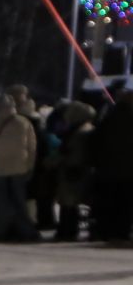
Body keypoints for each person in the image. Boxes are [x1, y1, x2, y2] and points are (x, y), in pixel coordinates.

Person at [0, 84, 39, 241]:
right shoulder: (24, 123)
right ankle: (26, 231)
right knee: (20, 202)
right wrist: (30, 167)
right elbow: (32, 148)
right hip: (20, 168)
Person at [49, 100, 96, 242]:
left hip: (72, 170)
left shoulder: (76, 132)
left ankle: (67, 230)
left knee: (69, 202)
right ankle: (67, 229)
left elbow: (68, 152)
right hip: (78, 170)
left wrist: (51, 162)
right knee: (71, 202)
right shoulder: (87, 128)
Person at [90, 88, 133, 241]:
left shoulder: (109, 118)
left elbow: (96, 142)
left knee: (108, 203)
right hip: (128, 172)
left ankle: (105, 230)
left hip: (107, 170)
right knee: (125, 205)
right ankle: (121, 231)